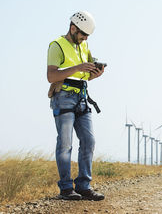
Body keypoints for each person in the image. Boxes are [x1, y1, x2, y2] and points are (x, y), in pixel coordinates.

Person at [47, 11, 105, 201]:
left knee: (89, 141)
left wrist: (95, 73)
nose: (85, 39)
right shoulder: (56, 46)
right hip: (63, 97)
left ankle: (83, 186)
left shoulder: (84, 45)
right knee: (65, 144)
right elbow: (51, 76)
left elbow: (85, 74)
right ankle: (66, 189)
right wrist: (78, 68)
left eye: (87, 36)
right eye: (83, 35)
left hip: (81, 96)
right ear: (73, 28)